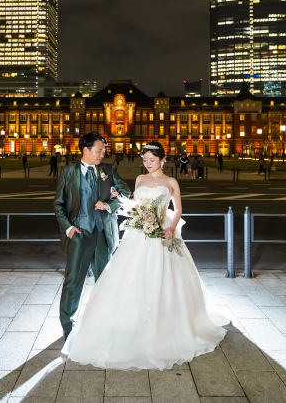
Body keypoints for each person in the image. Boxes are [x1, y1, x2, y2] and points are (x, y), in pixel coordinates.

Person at [63, 141, 228, 370]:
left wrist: (171, 227)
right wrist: (116, 200)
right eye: (145, 160)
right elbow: (134, 205)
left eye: (152, 160)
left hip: (162, 233)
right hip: (138, 235)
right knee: (129, 278)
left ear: (162, 160)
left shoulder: (171, 182)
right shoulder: (140, 180)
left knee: (165, 279)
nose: (148, 164)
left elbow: (178, 208)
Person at [53, 132, 131, 342]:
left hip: (103, 234)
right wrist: (69, 228)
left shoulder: (108, 170)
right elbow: (58, 204)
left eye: (104, 150)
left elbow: (126, 192)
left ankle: (105, 321)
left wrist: (110, 204)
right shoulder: (69, 172)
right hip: (79, 234)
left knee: (105, 280)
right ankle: (67, 325)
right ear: (85, 149)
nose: (102, 154)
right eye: (99, 150)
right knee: (73, 281)